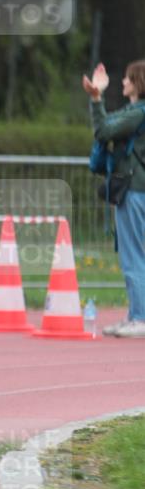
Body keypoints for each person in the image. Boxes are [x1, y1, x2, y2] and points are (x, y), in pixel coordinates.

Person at [82, 59, 145, 338]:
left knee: (134, 256)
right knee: (136, 254)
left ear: (139, 83)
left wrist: (96, 99)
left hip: (134, 190)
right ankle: (135, 315)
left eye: (129, 78)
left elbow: (104, 130)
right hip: (134, 189)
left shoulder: (138, 113)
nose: (123, 82)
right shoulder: (133, 112)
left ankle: (140, 318)